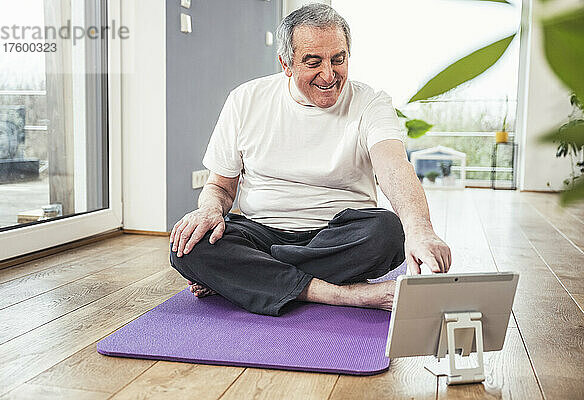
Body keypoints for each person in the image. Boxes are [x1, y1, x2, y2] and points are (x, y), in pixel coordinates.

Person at [169, 3, 451, 316]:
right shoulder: (245, 100)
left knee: (387, 233)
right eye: (313, 62)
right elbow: (220, 187)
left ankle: (251, 278)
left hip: (337, 237)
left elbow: (395, 169)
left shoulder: (371, 103)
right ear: (285, 63)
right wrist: (209, 210)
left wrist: (420, 229)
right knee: (188, 247)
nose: (329, 75)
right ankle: (349, 295)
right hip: (262, 231)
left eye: (338, 59)